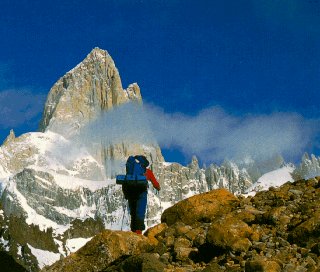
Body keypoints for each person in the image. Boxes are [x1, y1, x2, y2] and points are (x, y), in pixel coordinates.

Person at [122, 155, 160, 234]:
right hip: (141, 193)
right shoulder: (147, 172)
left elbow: (125, 183)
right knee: (140, 211)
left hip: (131, 193)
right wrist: (158, 188)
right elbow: (155, 183)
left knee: (133, 212)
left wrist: (126, 195)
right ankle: (138, 233)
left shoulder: (130, 171)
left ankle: (133, 232)